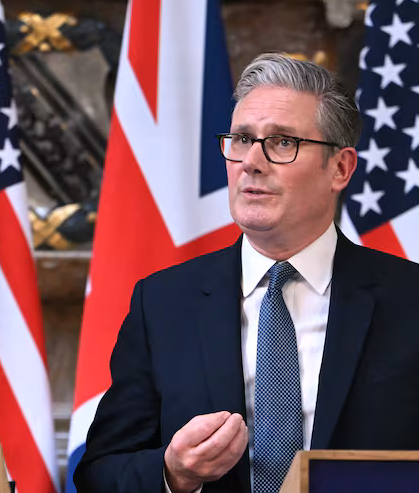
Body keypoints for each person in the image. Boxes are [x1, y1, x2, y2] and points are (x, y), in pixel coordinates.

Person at [74, 53, 419, 493]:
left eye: (281, 143)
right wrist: (173, 472)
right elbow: (99, 474)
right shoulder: (163, 303)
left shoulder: (410, 301)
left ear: (340, 168)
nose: (251, 162)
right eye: (241, 139)